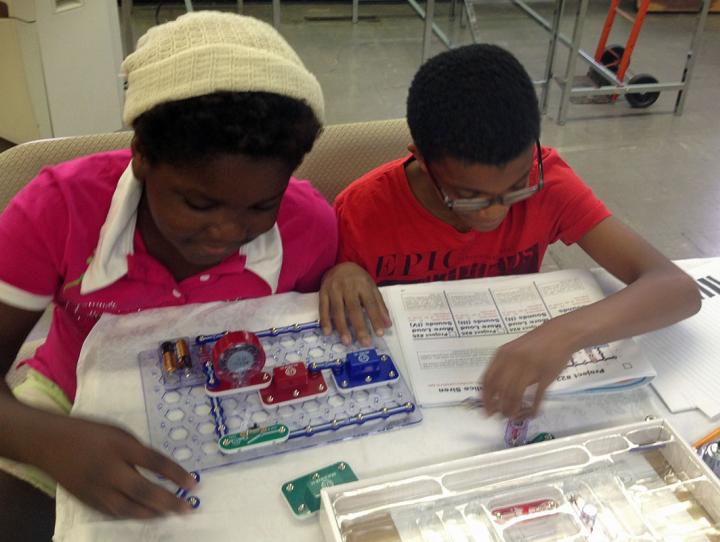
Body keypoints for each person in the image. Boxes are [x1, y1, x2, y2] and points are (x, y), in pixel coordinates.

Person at [0, 11, 336, 538]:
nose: (226, 232)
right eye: (198, 203)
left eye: (260, 206)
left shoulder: (307, 224)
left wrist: (345, 271)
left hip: (235, 398)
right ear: (140, 159)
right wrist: (44, 438)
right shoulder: (56, 212)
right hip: (70, 401)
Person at [319, 44, 700, 421]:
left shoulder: (548, 181)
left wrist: (565, 333)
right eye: (469, 196)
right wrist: (342, 272)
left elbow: (675, 288)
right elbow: (320, 319)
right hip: (412, 400)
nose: (497, 211)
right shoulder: (363, 212)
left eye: (517, 185)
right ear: (420, 157)